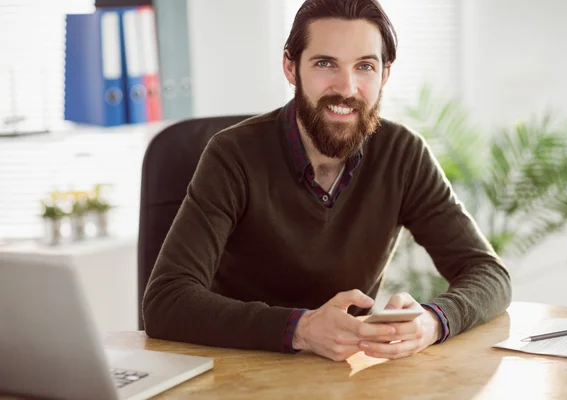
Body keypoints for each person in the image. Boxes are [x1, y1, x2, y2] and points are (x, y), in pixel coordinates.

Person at [142, 0, 511, 362]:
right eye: (325, 63)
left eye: (364, 66)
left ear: (384, 74)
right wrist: (301, 328)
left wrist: (432, 322)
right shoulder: (232, 154)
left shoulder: (403, 154)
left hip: (343, 378)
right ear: (290, 66)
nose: (346, 88)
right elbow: (167, 299)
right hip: (238, 371)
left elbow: (488, 274)